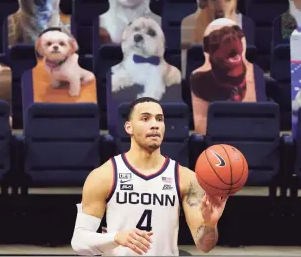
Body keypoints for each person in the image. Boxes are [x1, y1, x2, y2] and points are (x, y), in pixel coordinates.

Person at [71, 97, 228, 256]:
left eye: (159, 119)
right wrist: (116, 238)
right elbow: (79, 242)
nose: (154, 124)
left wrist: (210, 223)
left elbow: (205, 246)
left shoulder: (186, 178)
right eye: (145, 118)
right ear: (129, 127)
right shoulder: (104, 175)